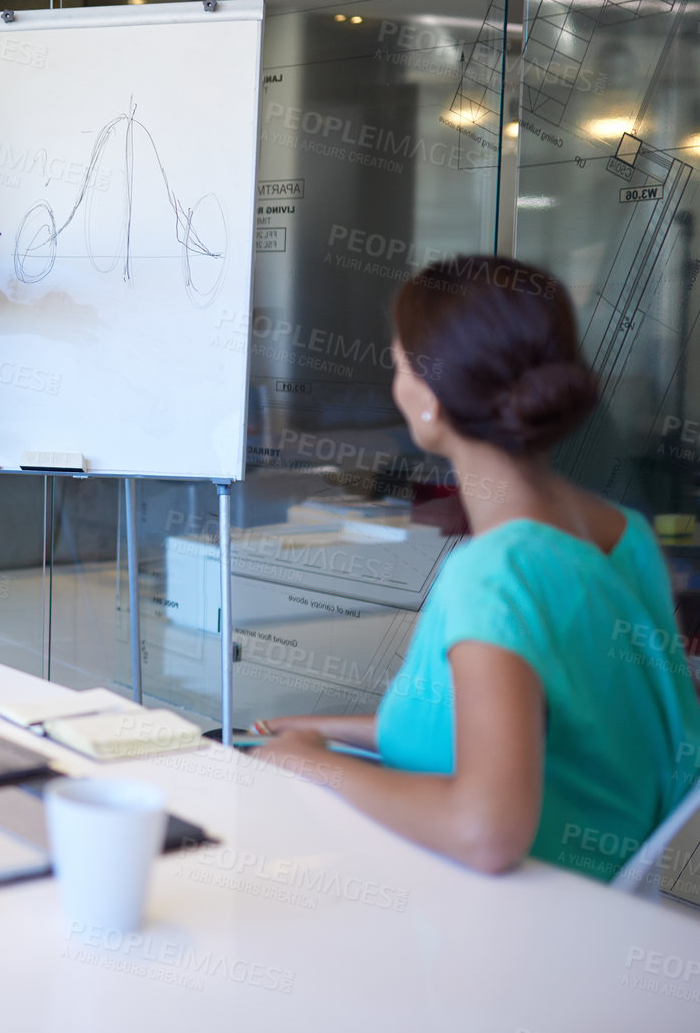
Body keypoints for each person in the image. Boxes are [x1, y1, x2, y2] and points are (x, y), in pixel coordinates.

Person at [253, 256, 700, 881]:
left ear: (431, 401)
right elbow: (516, 722)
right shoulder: (629, 538)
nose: (396, 381)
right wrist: (312, 730)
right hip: (601, 910)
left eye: (399, 365)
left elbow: (486, 832)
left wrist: (309, 763)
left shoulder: (493, 575)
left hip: (503, 931)